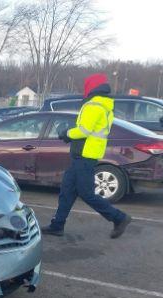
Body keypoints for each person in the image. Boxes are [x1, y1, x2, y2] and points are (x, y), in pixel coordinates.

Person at [41, 73, 132, 239]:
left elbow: (84, 130)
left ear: (91, 87)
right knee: (67, 191)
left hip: (84, 155)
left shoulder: (93, 105)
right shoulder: (104, 105)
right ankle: (57, 225)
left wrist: (66, 133)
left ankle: (119, 218)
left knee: (86, 193)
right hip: (85, 154)